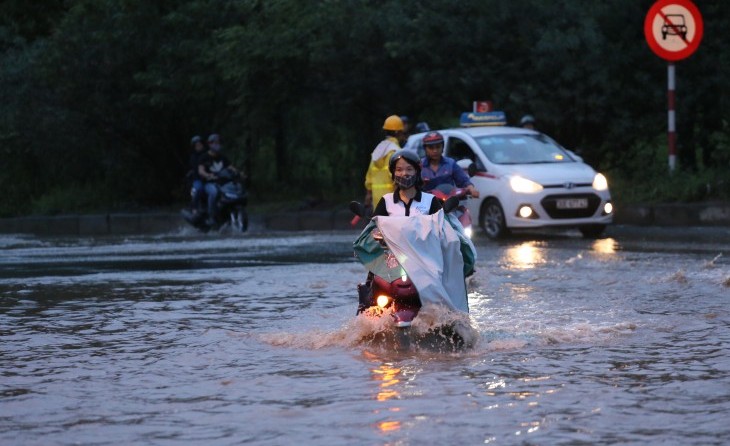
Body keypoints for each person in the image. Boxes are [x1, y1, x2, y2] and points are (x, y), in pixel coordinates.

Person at [372, 150, 442, 217]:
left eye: (409, 169)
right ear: (393, 173)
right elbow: (374, 226)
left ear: (416, 171)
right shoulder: (386, 200)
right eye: (399, 170)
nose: (404, 173)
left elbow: (441, 226)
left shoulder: (430, 200)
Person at [419, 131, 480, 199]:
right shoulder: (419, 166)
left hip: (449, 205)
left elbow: (464, 181)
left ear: (442, 147)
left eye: (438, 147)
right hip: (427, 206)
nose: (435, 150)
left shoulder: (450, 163)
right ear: (425, 149)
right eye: (431, 148)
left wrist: (472, 190)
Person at [364, 115, 405, 210]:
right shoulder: (396, 151)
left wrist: (368, 195)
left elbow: (369, 177)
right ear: (398, 132)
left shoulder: (378, 150)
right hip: (392, 201)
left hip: (377, 200)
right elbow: (397, 177)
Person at [198, 134, 237, 226]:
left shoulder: (223, 157)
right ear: (210, 144)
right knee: (214, 193)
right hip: (209, 183)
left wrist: (238, 173)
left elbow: (231, 167)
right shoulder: (204, 157)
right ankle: (212, 216)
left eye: (218, 143)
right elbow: (201, 171)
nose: (217, 145)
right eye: (215, 143)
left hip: (223, 183)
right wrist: (208, 175)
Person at [187, 135, 206, 214]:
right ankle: (194, 208)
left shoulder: (207, 154)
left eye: (200, 144)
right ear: (194, 147)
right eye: (197, 145)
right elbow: (197, 169)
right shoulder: (193, 157)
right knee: (199, 189)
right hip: (198, 179)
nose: (199, 146)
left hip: (210, 179)